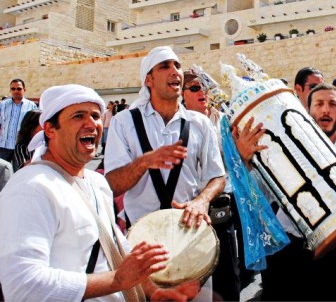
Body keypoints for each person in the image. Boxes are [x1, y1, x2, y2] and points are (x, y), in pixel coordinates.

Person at [0, 84, 198, 301]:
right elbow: (23, 286)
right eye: (78, 116)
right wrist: (117, 280)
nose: (92, 124)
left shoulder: (97, 182)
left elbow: (114, 247)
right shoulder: (31, 188)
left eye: (96, 115)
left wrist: (153, 292)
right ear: (49, 129)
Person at [104, 46, 226, 301]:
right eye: (165, 66)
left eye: (177, 66)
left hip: (190, 239)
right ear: (148, 79)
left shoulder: (200, 123)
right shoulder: (124, 122)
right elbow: (112, 184)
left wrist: (201, 201)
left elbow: (217, 176)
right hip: (141, 246)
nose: (175, 72)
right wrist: (144, 162)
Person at [260, 83, 336, 301]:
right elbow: (259, 195)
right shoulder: (283, 151)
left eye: (332, 104)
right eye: (319, 104)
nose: (326, 110)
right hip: (292, 255)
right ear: (308, 111)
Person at [182, 68, 241, 302]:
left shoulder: (222, 119)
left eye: (205, 88)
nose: (202, 93)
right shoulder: (179, 124)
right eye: (195, 88)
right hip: (192, 209)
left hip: (222, 205)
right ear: (182, 94)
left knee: (228, 274)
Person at [0, 79, 38, 162]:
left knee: (19, 172)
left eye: (19, 89)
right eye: (13, 89)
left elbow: (34, 127)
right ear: (10, 90)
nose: (16, 91)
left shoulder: (32, 106)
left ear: (24, 90)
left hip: (22, 148)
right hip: (3, 147)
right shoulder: (3, 105)